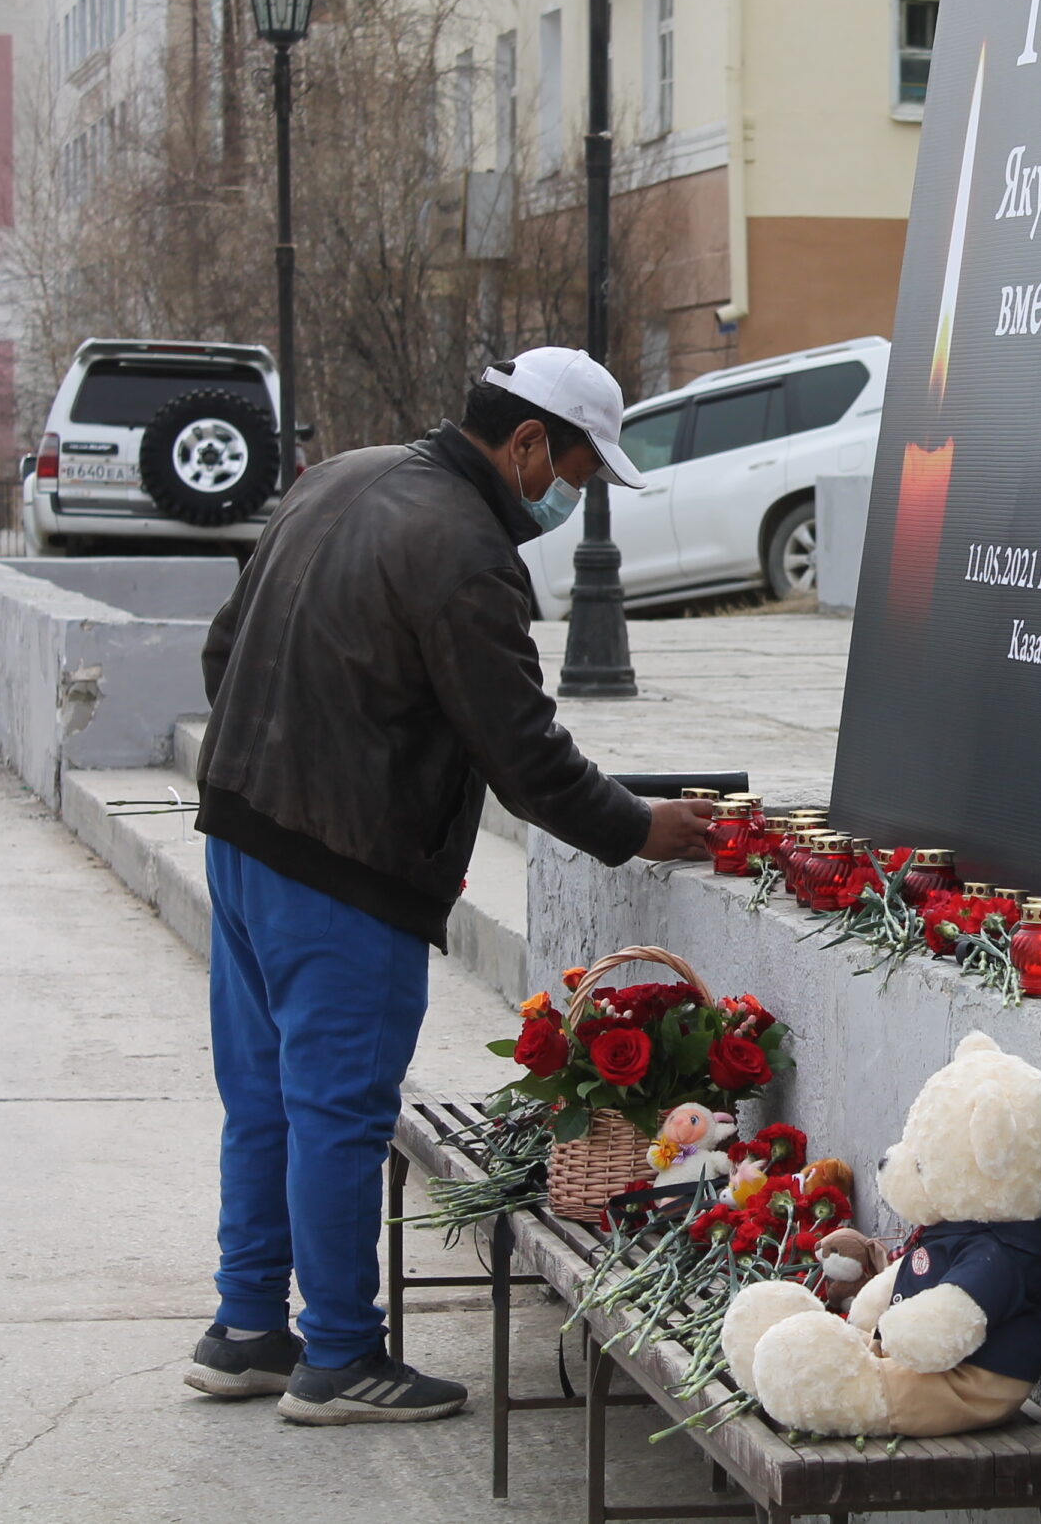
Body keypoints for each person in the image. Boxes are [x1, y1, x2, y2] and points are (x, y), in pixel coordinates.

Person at [185, 347, 712, 1424]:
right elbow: (525, 756)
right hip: (344, 867)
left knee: (265, 1101)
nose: (578, 496)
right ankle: (336, 1357)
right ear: (526, 444)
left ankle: (246, 1331)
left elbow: (223, 649)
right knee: (336, 1113)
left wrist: (280, 762)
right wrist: (640, 828)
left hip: (241, 837)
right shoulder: (465, 552)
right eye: (579, 471)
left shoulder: (337, 476)